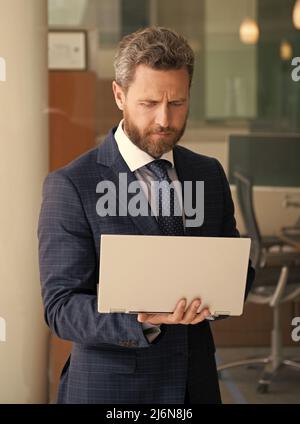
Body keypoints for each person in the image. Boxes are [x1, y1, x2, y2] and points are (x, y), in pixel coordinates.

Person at [38, 26, 255, 404]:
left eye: (177, 103)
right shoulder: (72, 185)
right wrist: (145, 318)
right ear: (119, 95)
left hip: (195, 385)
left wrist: (219, 295)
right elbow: (61, 308)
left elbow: (235, 271)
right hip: (113, 390)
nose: (165, 120)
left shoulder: (208, 173)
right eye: (149, 103)